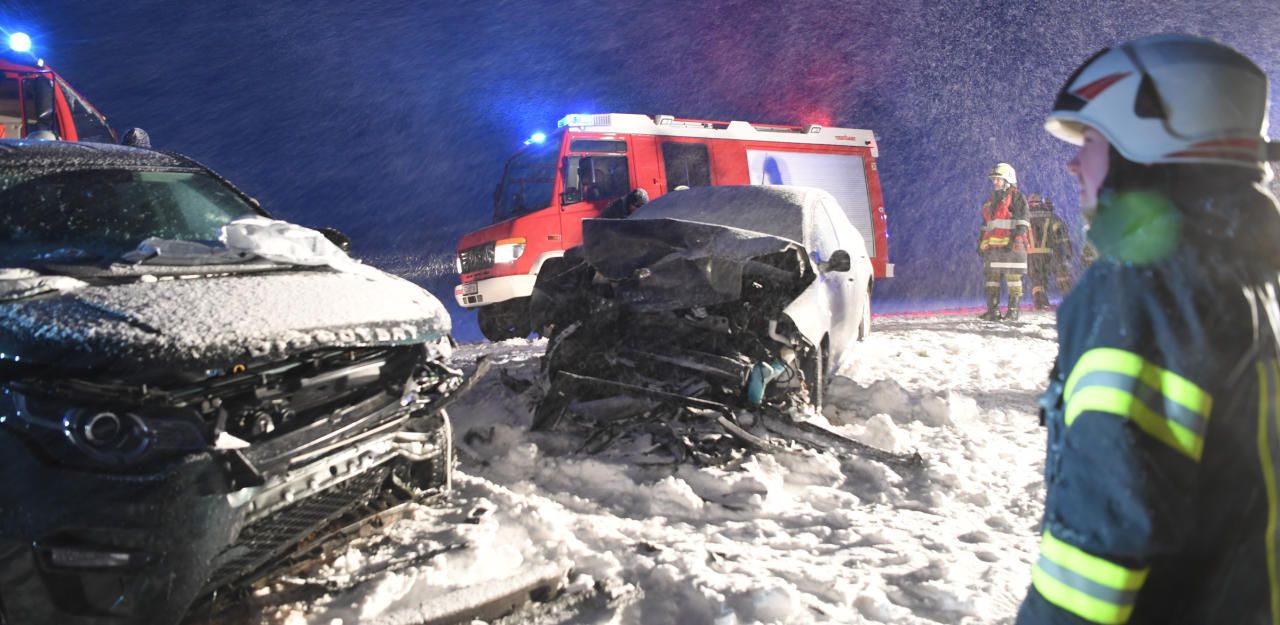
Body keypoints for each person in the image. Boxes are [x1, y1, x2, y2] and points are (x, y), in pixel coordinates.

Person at [1017, 34, 1280, 624]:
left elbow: (1096, 555)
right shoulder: (1246, 275)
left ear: (1149, 141)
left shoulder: (1145, 291)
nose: (1073, 162)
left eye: (1089, 140)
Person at [977, 162, 1032, 321]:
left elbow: (1023, 220)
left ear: (1008, 179)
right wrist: (980, 242)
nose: (994, 182)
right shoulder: (990, 200)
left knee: (1013, 279)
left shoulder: (1017, 197)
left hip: (1012, 246)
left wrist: (1016, 239)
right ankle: (993, 311)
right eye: (993, 179)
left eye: (998, 179)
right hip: (994, 247)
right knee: (991, 279)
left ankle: (1013, 311)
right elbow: (987, 224)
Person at [1027, 193, 1076, 309]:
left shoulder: (1024, 217)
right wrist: (1068, 251)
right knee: (1057, 276)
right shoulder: (1051, 217)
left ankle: (1040, 303)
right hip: (1048, 252)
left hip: (1031, 254)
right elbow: (1063, 236)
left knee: (1037, 280)